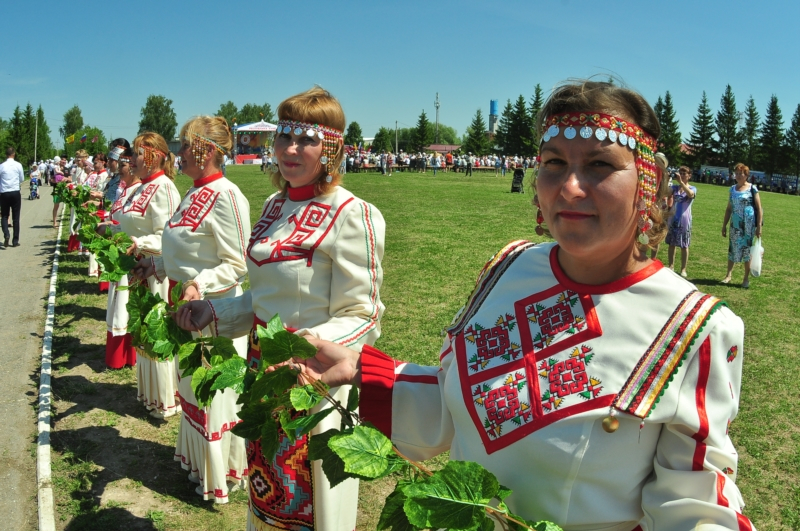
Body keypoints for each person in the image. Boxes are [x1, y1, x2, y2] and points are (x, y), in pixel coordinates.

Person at [295, 80, 755, 530]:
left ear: (648, 184)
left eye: (600, 164)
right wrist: (362, 368)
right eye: (554, 163)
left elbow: (695, 508)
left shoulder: (693, 328)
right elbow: (472, 408)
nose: (570, 187)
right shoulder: (509, 266)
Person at [176, 87, 385, 531]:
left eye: (307, 139)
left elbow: (363, 313)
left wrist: (306, 353)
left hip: (314, 380)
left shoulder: (352, 214)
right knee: (267, 492)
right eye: (284, 136)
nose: (291, 149)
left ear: (331, 150)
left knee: (308, 500)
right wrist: (214, 313)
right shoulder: (274, 207)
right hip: (261, 370)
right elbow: (264, 299)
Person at [134, 116, 252, 504]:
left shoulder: (227, 195)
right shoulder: (192, 192)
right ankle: (199, 464)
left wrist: (198, 283)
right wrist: (156, 266)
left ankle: (224, 473)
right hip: (185, 308)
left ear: (207, 151)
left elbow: (237, 264)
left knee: (213, 394)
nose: (179, 153)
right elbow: (182, 251)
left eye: (185, 145)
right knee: (192, 389)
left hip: (215, 313)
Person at [97, 132, 181, 414]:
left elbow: (169, 237)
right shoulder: (141, 187)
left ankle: (167, 397)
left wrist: (140, 244)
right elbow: (127, 225)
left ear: (154, 156)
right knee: (143, 332)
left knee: (157, 332)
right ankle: (150, 395)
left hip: (157, 271)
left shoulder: (164, 188)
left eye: (136, 154)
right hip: (138, 270)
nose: (131, 159)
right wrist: (109, 231)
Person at [98, 145, 139, 370]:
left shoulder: (140, 190)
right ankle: (118, 355)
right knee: (117, 303)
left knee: (126, 305)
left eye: (123, 165)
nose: (120, 169)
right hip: (119, 252)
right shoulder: (125, 190)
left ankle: (127, 354)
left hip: (132, 255)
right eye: (120, 164)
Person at [722, 162, 763, 289]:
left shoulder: (752, 188)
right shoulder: (732, 189)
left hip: (748, 226)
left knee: (746, 251)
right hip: (735, 225)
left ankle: (745, 279)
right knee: (732, 248)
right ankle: (728, 275)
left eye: (741, 174)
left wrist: (759, 226)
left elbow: (759, 208)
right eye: (737, 173)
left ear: (746, 175)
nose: (739, 176)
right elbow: (729, 209)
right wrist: (724, 225)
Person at [664, 165, 696, 277]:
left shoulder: (692, 188)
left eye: (684, 174)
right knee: (672, 243)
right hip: (673, 219)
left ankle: (683, 269)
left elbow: (691, 195)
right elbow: (664, 192)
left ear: (689, 176)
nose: (681, 175)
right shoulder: (675, 188)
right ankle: (671, 266)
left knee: (684, 245)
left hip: (685, 220)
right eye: (680, 173)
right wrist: (667, 179)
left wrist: (681, 183)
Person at [0, 147, 25, 247]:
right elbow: (22, 179)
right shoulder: (18, 165)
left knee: (4, 215)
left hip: (4, 193)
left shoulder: (1, 166)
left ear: (6, 155)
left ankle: (6, 233)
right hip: (15, 192)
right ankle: (15, 241)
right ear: (14, 154)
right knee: (16, 216)